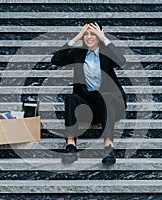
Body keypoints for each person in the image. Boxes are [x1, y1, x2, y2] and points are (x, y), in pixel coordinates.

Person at [51, 22, 127, 165]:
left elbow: (122, 61)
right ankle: (71, 145)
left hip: (110, 105)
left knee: (106, 96)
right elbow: (56, 60)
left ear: (99, 36)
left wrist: (104, 38)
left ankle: (109, 147)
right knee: (71, 98)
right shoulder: (78, 53)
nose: (89, 37)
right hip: (89, 107)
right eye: (86, 34)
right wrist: (77, 37)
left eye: (93, 34)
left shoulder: (106, 54)